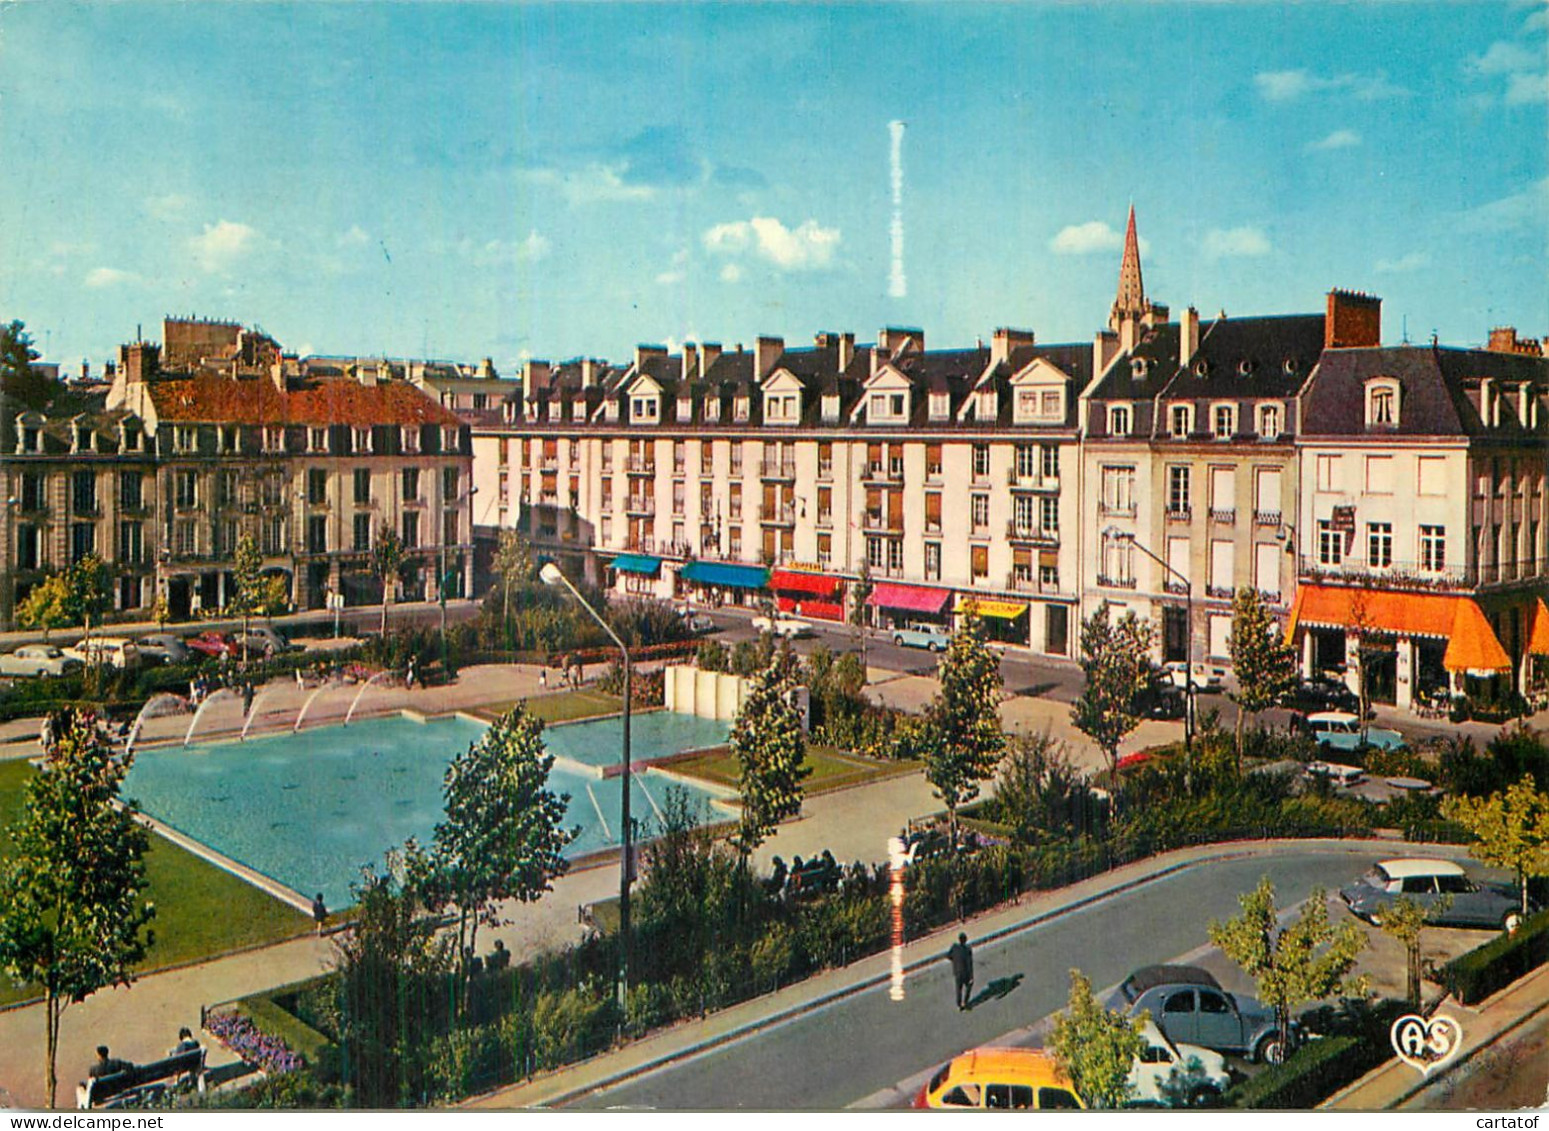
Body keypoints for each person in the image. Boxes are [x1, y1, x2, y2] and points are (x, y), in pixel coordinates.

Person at [947, 932, 974, 1011]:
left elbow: (948, 956)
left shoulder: (954, 947)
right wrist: (971, 976)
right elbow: (969, 965)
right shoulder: (967, 950)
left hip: (957, 972)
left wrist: (955, 960)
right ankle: (965, 1001)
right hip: (965, 973)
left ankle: (959, 1004)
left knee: (958, 989)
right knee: (968, 986)